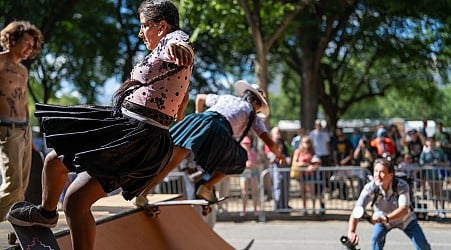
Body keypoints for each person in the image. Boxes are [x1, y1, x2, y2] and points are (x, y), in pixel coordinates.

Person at [7, 1, 194, 249]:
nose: (140, 33)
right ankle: (46, 214)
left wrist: (182, 47)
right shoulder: (165, 54)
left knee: (75, 202)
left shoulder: (175, 40)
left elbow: (180, 43)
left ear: (162, 26)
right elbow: (180, 106)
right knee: (53, 162)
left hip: (135, 137)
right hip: (125, 125)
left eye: (144, 26)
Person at [137, 80, 286, 203]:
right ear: (257, 104)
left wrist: (198, 114)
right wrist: (279, 155)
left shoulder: (226, 97)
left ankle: (142, 193)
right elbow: (267, 140)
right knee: (239, 160)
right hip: (220, 131)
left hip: (199, 122)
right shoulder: (252, 114)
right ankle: (207, 186)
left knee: (171, 161)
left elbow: (200, 97)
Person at [0, 20, 44, 221]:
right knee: (13, 185)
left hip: (24, 130)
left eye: (33, 45)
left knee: (21, 188)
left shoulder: (23, 71)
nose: (30, 48)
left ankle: (11, 229)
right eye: (26, 42)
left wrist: (30, 136)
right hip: (5, 128)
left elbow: (24, 101)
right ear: (12, 39)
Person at [347, 158, 431, 250]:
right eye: (375, 171)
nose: (377, 175)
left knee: (423, 245)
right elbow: (357, 210)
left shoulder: (402, 186)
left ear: (391, 175)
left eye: (382, 172)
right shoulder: (370, 188)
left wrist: (386, 218)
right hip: (382, 220)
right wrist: (351, 232)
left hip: (405, 220)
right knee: (375, 241)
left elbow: (404, 210)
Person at [419, 137, 448, 219]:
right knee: (433, 193)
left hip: (439, 175)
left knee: (440, 192)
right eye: (428, 142)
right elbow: (422, 164)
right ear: (426, 143)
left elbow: (446, 162)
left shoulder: (439, 151)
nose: (430, 143)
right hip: (430, 176)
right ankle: (436, 210)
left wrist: (440, 163)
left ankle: (442, 210)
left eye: (432, 141)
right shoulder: (424, 153)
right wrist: (431, 164)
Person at [291, 136, 320, 214]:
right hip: (301, 174)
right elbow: (294, 162)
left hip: (310, 174)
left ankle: (313, 209)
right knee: (303, 192)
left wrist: (312, 167)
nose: (307, 144)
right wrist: (302, 164)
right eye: (305, 142)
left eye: (308, 142)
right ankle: (304, 209)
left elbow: (317, 163)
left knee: (312, 192)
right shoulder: (298, 151)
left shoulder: (312, 152)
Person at [239, 136, 260, 216]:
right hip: (244, 172)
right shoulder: (240, 153)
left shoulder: (253, 153)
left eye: (247, 143)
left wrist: (252, 164)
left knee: (254, 192)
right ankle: (243, 210)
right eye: (245, 143)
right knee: (244, 192)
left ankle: (255, 209)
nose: (246, 145)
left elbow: (257, 162)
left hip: (253, 172)